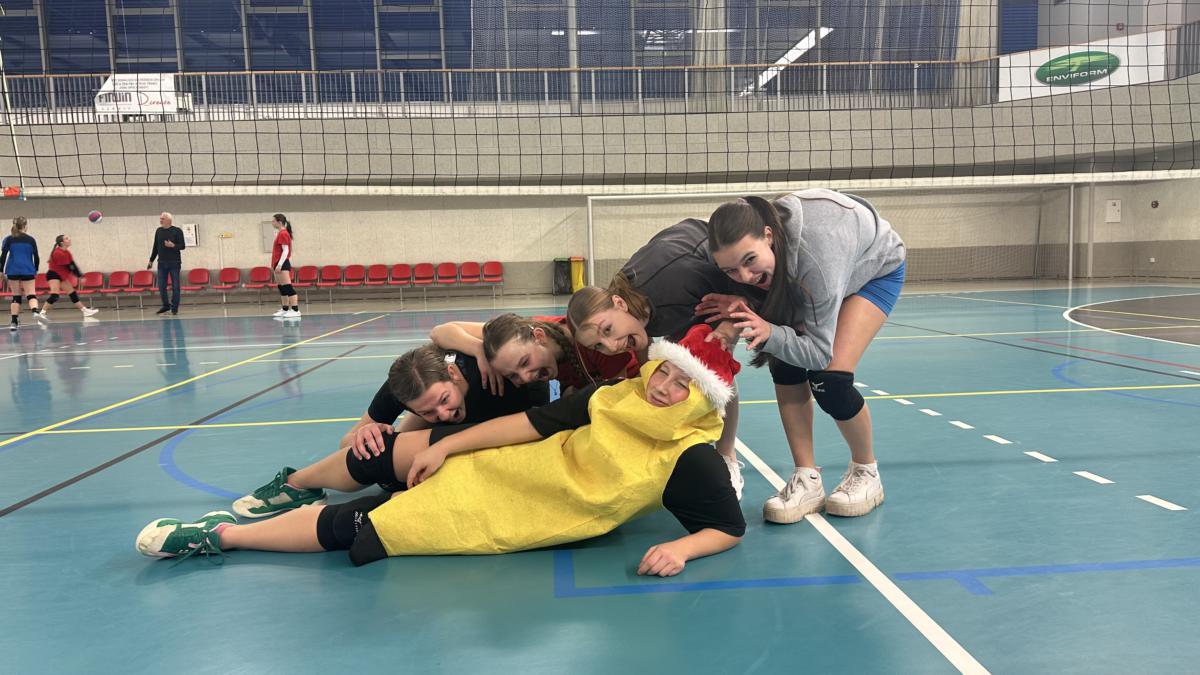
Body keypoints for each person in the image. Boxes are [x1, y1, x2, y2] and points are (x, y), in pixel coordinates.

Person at [136, 324, 745, 576]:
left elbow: (727, 526)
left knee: (370, 522)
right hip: (509, 466)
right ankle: (293, 486)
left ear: (703, 397)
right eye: (666, 373)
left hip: (530, 505)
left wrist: (682, 548)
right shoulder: (611, 394)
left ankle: (222, 537)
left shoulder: (688, 454)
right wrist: (440, 443)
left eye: (683, 385)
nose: (665, 388)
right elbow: (532, 425)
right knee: (384, 458)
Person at [700, 189, 905, 521]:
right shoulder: (744, 258)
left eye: (750, 261)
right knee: (785, 366)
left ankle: (866, 471)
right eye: (731, 271)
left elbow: (819, 353)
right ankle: (807, 478)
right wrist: (747, 306)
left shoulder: (818, 258)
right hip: (806, 276)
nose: (745, 277)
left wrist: (770, 331)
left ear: (768, 236)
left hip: (873, 272)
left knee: (831, 380)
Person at [228, 343, 549, 519]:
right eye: (427, 411)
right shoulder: (400, 389)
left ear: (453, 374)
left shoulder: (495, 376)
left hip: (505, 443)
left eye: (444, 400)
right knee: (372, 450)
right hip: (440, 453)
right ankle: (300, 485)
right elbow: (346, 443)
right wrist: (365, 435)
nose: (443, 414)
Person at [566, 217, 764, 498]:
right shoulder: (629, 321)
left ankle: (726, 456)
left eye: (607, 330)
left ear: (619, 303)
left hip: (718, 281)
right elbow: (647, 368)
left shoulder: (678, 280)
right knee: (668, 374)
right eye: (598, 345)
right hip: (680, 300)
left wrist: (727, 330)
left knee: (714, 364)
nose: (611, 346)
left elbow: (747, 292)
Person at [429, 313, 638, 396]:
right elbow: (441, 331)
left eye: (525, 362)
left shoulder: (592, 341)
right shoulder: (509, 339)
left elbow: (617, 398)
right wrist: (478, 350)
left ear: (539, 336)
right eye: (513, 375)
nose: (525, 377)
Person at [41, 235, 100, 321]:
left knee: (72, 293)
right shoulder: (58, 253)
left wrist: (80, 276)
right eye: (66, 238)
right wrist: (79, 276)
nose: (69, 239)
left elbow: (73, 264)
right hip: (54, 275)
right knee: (55, 295)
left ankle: (85, 311)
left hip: (61, 275)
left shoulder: (67, 252)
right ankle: (42, 313)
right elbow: (69, 267)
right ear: (62, 243)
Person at [1, 216, 43, 331]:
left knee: (16, 296)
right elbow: (36, 257)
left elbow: (3, 256)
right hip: (27, 269)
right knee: (31, 294)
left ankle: (14, 322)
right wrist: (36, 269)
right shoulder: (31, 240)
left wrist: (1, 270)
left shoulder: (8, 239)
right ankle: (35, 311)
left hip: (12, 269)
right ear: (25, 226)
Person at [146, 212, 185, 315]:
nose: (160, 220)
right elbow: (155, 246)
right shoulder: (158, 231)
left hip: (174, 263)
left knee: (175, 286)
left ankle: (174, 307)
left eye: (162, 218)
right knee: (161, 286)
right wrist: (151, 260)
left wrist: (173, 245)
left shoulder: (177, 231)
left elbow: (182, 246)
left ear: (169, 220)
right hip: (162, 263)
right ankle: (166, 305)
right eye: (160, 218)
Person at [270, 213, 300, 319]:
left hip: (282, 263)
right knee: (281, 287)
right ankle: (285, 309)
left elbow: (285, 250)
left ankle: (295, 310)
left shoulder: (283, 233)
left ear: (279, 222)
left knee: (287, 287)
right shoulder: (280, 233)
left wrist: (279, 264)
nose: (272, 223)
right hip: (277, 263)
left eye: (273, 221)